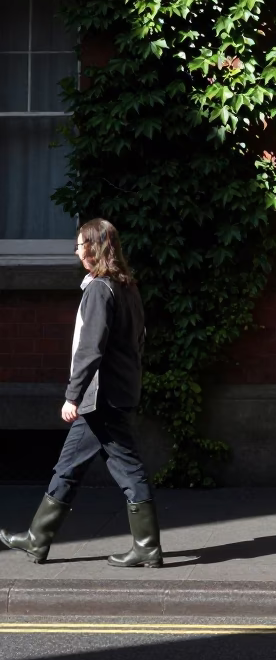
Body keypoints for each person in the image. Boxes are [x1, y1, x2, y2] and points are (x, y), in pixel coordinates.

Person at [0, 219, 163, 568]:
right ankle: (38, 540)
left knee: (98, 468)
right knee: (79, 467)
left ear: (94, 248)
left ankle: (40, 539)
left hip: (99, 398)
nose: (75, 251)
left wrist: (72, 396)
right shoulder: (127, 287)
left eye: (79, 245)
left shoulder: (99, 290)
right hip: (117, 392)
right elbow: (139, 341)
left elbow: (90, 349)